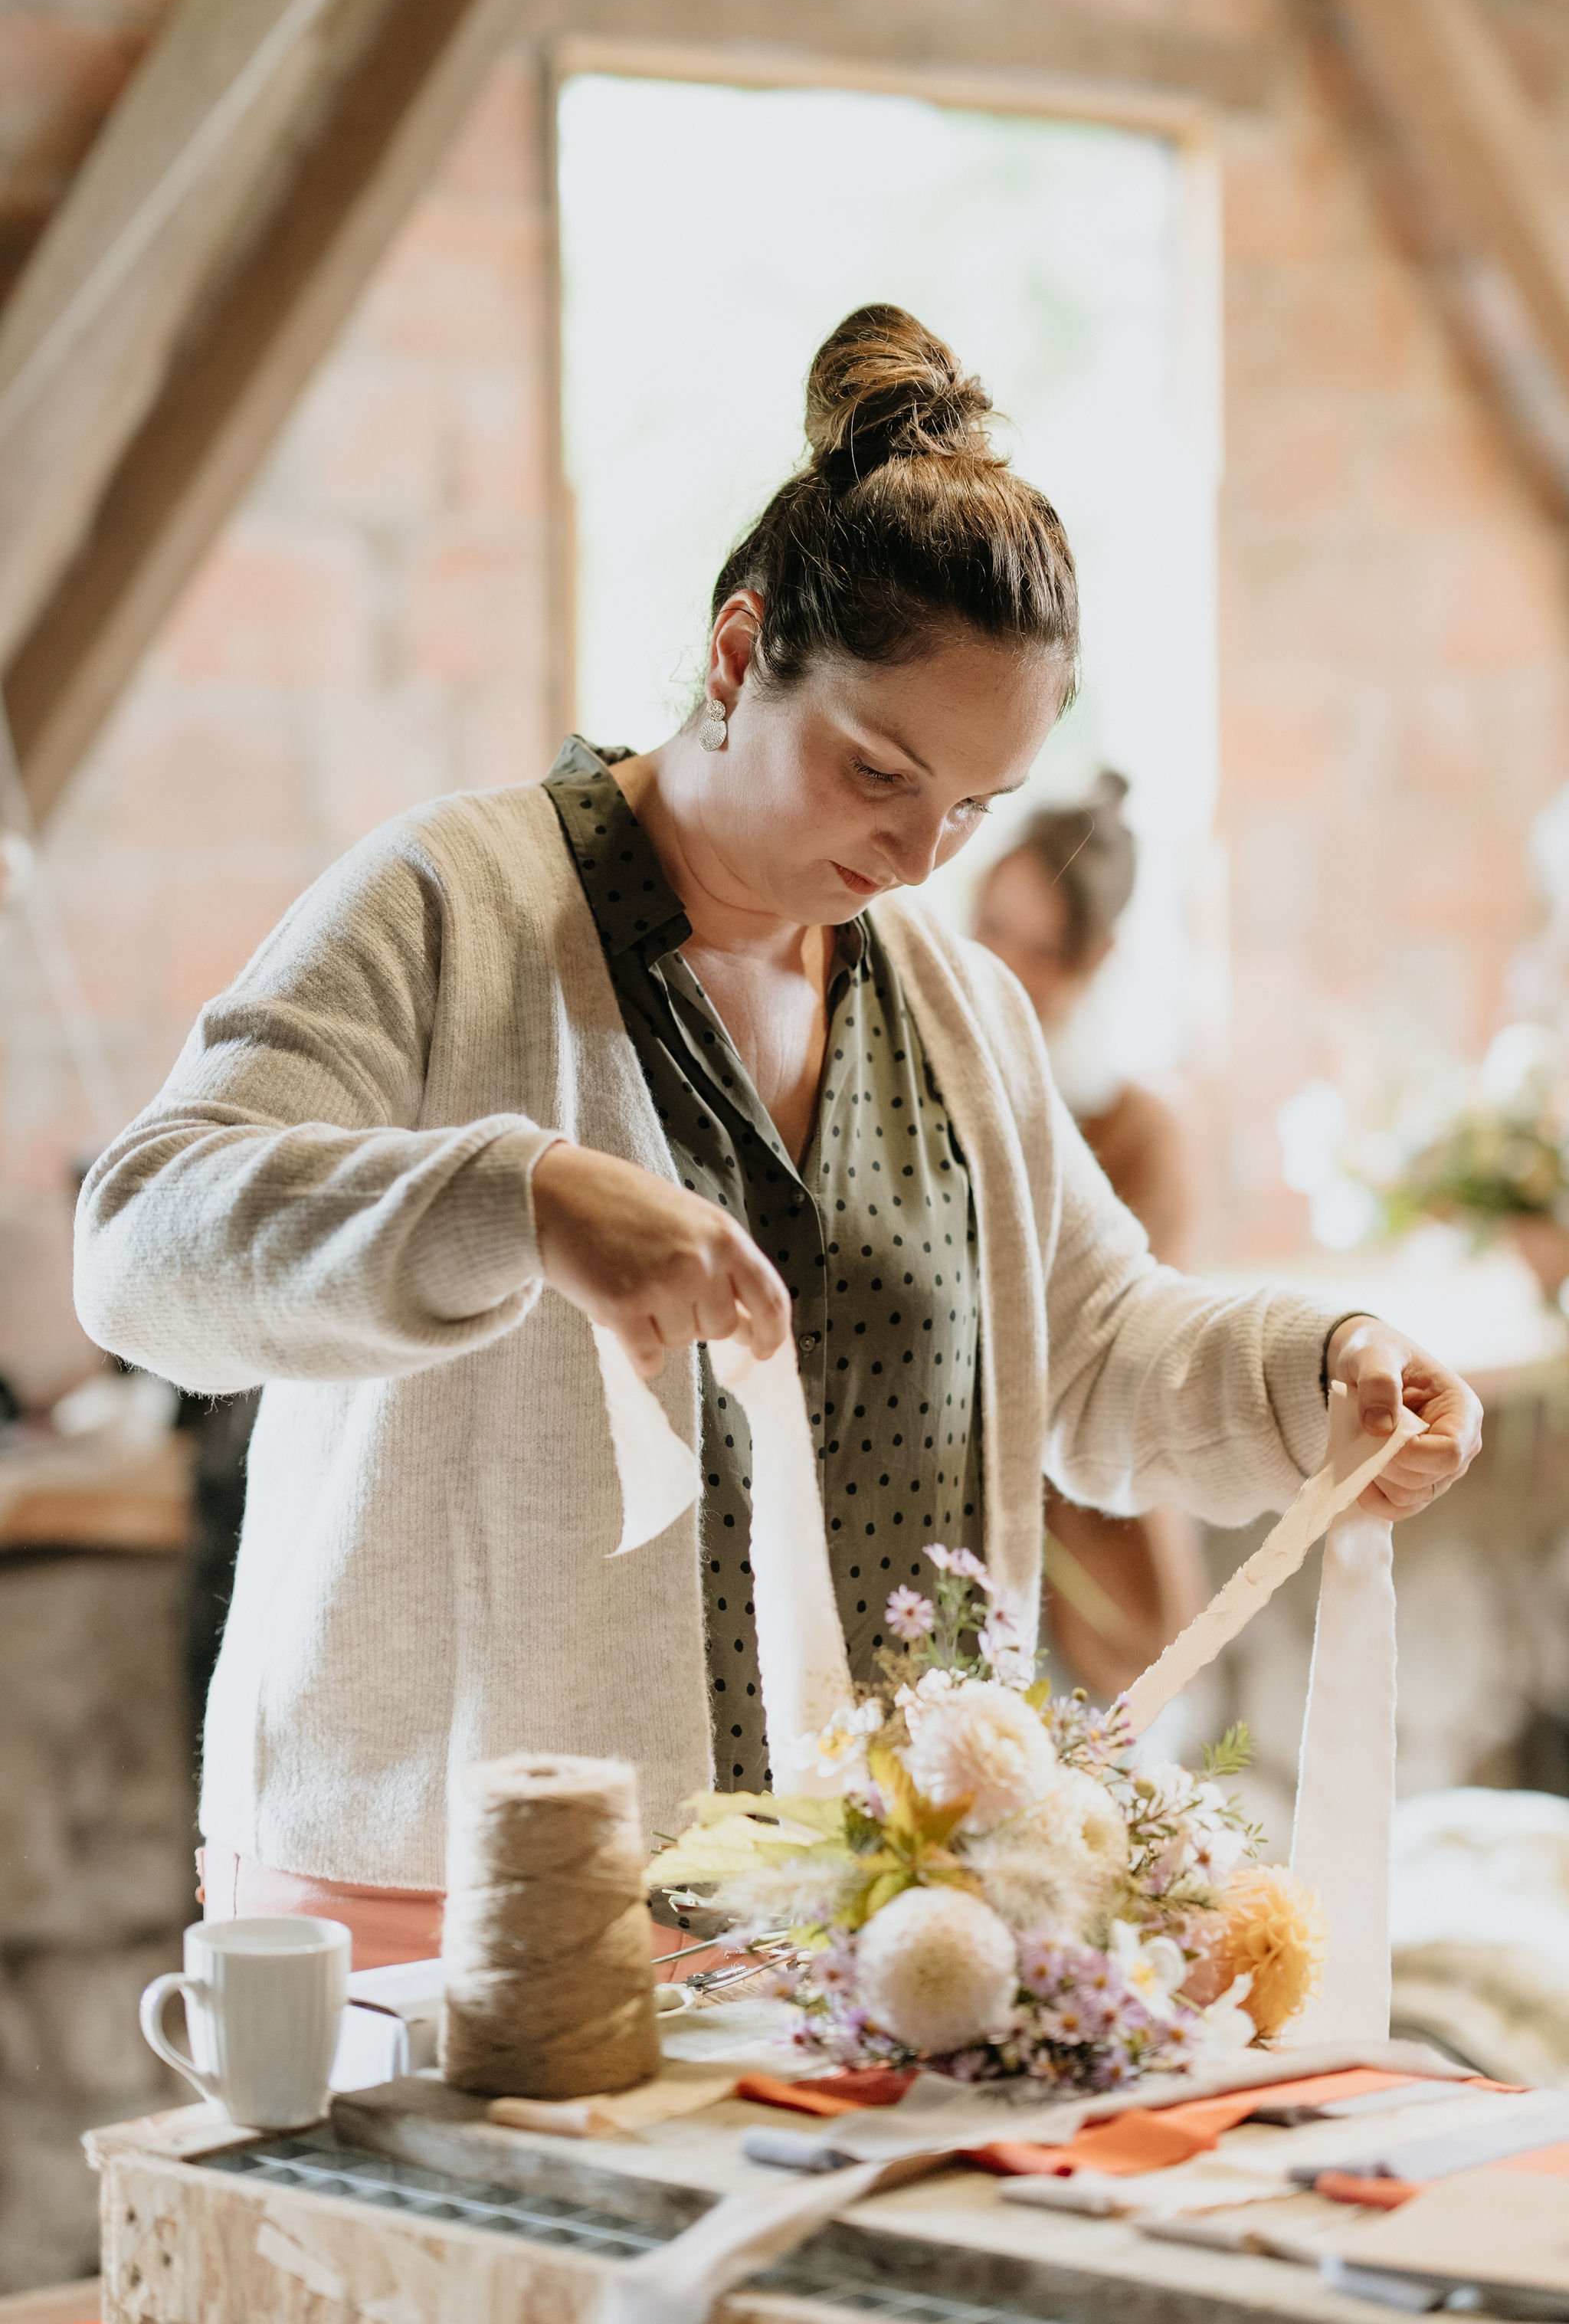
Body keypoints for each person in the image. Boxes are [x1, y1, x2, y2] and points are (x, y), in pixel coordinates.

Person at [74, 306, 1481, 1971]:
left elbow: (1092, 1347)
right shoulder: (449, 906)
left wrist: (1320, 1372)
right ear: (738, 661)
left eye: (972, 807)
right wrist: (514, 1197)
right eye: (878, 771)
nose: (917, 853)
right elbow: (141, 1246)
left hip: (870, 1926)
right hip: (465, 1921)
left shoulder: (957, 1008)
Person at [973, 779, 1204, 1694]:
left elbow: (1116, 1346)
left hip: (1093, 1562)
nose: (1008, 967)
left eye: (1044, 949)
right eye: (992, 929)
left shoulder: (1139, 1127)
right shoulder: (926, 1068)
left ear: (1095, 957)